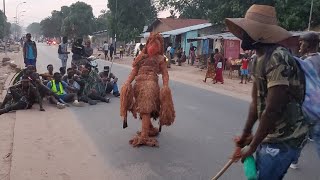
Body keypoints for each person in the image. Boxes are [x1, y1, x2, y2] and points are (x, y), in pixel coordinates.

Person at [226, 4, 310, 179]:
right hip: (271, 136)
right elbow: (256, 103)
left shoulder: (278, 58)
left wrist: (252, 147)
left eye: (246, 31)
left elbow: (272, 109)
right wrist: (246, 134)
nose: (243, 35)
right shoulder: (258, 59)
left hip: (286, 138)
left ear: (260, 34)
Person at [120, 33, 175, 147]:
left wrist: (165, 86)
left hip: (151, 85)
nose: (153, 47)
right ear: (148, 44)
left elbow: (165, 74)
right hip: (139, 84)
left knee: (146, 108)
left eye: (156, 44)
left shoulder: (161, 58)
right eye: (151, 43)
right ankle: (149, 127)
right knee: (144, 108)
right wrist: (127, 83)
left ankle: (144, 135)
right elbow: (134, 71)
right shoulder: (141, 57)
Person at [289, 32, 320, 169]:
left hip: (309, 108)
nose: (299, 45)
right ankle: (294, 161)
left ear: (308, 44)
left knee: (299, 136)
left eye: (302, 42)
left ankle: (294, 161)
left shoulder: (305, 63)